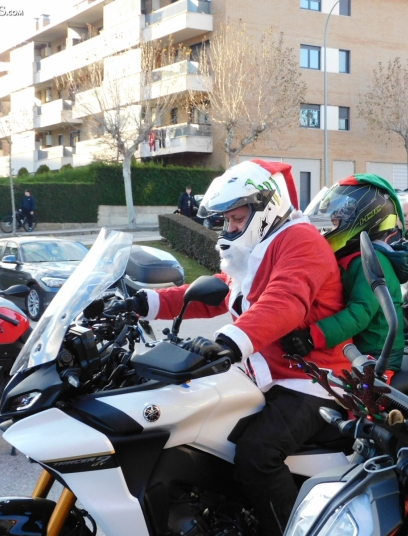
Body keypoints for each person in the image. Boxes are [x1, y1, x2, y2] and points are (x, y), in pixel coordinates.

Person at [130, 160, 350, 536]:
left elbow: (284, 302)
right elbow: (217, 290)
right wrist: (143, 303)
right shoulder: (262, 245)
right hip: (265, 374)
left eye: (236, 218)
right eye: (226, 220)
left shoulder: (301, 242)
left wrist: (228, 343)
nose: (229, 228)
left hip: (313, 378)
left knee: (257, 455)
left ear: (265, 207)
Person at [280, 174, 408, 377]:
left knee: (355, 403)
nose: (332, 225)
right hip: (355, 348)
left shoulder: (371, 261)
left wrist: (312, 336)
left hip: (378, 356)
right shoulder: (352, 257)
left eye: (337, 221)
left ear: (365, 218)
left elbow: (359, 312)